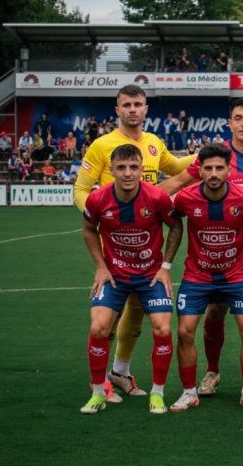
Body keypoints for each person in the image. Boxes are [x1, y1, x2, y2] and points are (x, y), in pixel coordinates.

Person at [160, 98, 243, 397]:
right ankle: (212, 372)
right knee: (215, 313)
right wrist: (141, 197)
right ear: (229, 122)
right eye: (238, 117)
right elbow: (179, 181)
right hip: (217, 258)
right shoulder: (214, 157)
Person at [74, 84, 195, 403]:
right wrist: (105, 214)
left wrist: (207, 154)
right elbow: (80, 189)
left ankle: (120, 370)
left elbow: (177, 167)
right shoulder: (102, 145)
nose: (132, 109)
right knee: (107, 317)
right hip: (113, 242)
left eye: (137, 104)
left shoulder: (153, 143)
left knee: (140, 314)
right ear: (117, 110)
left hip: (148, 243)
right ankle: (97, 383)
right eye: (126, 104)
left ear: (145, 109)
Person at [79, 144, 183, 415]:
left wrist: (166, 266)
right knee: (99, 328)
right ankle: (99, 392)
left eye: (133, 167)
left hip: (150, 275)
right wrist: (100, 267)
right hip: (115, 276)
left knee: (162, 329)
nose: (127, 173)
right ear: (111, 170)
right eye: (121, 167)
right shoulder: (98, 199)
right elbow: (89, 229)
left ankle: (158, 394)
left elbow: (176, 226)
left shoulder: (157, 198)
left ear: (142, 170)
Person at [168, 144, 243, 413]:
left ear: (228, 170)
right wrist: (165, 263)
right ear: (199, 170)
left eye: (219, 168)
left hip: (237, 275)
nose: (214, 173)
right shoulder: (185, 198)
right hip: (198, 276)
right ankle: (189, 392)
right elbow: (170, 219)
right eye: (209, 168)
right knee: (184, 331)